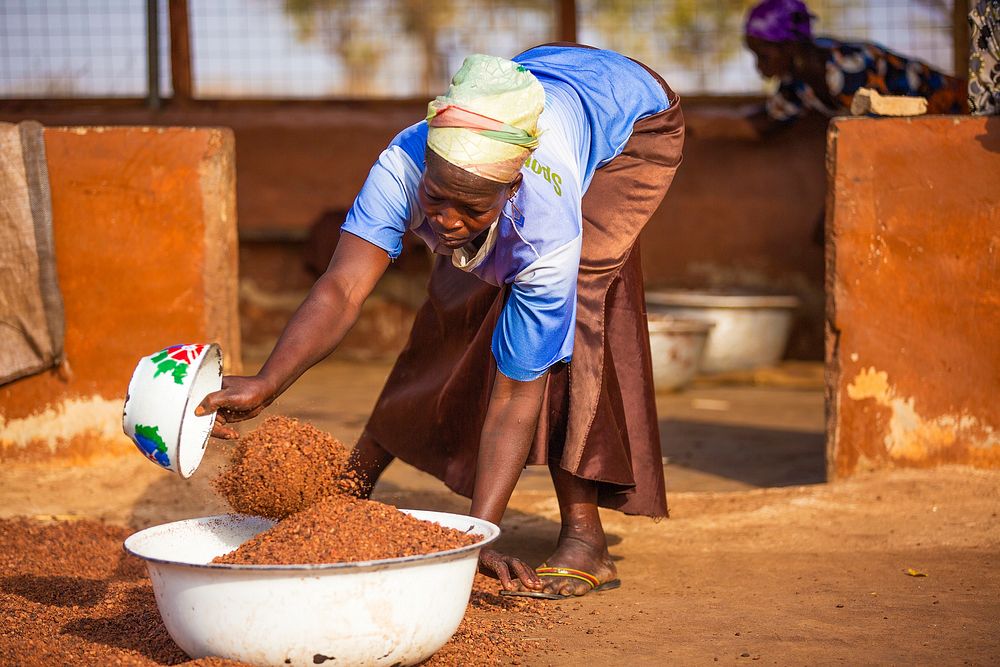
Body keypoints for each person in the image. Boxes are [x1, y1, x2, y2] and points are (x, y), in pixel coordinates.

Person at [196, 43, 684, 599]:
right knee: (456, 296)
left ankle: (585, 539)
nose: (448, 222)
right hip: (535, 76)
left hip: (633, 120)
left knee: (574, 313)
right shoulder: (404, 164)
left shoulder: (546, 231)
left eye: (472, 209)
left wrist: (473, 540)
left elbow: (513, 397)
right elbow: (342, 287)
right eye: (436, 198)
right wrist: (267, 381)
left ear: (511, 190)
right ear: (426, 170)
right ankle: (358, 474)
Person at [739, 0, 966, 136]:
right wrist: (710, 125)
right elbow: (769, 122)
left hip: (961, 111)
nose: (758, 65)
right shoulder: (798, 82)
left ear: (789, 46)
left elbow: (877, 140)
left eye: (763, 55)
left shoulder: (847, 69)